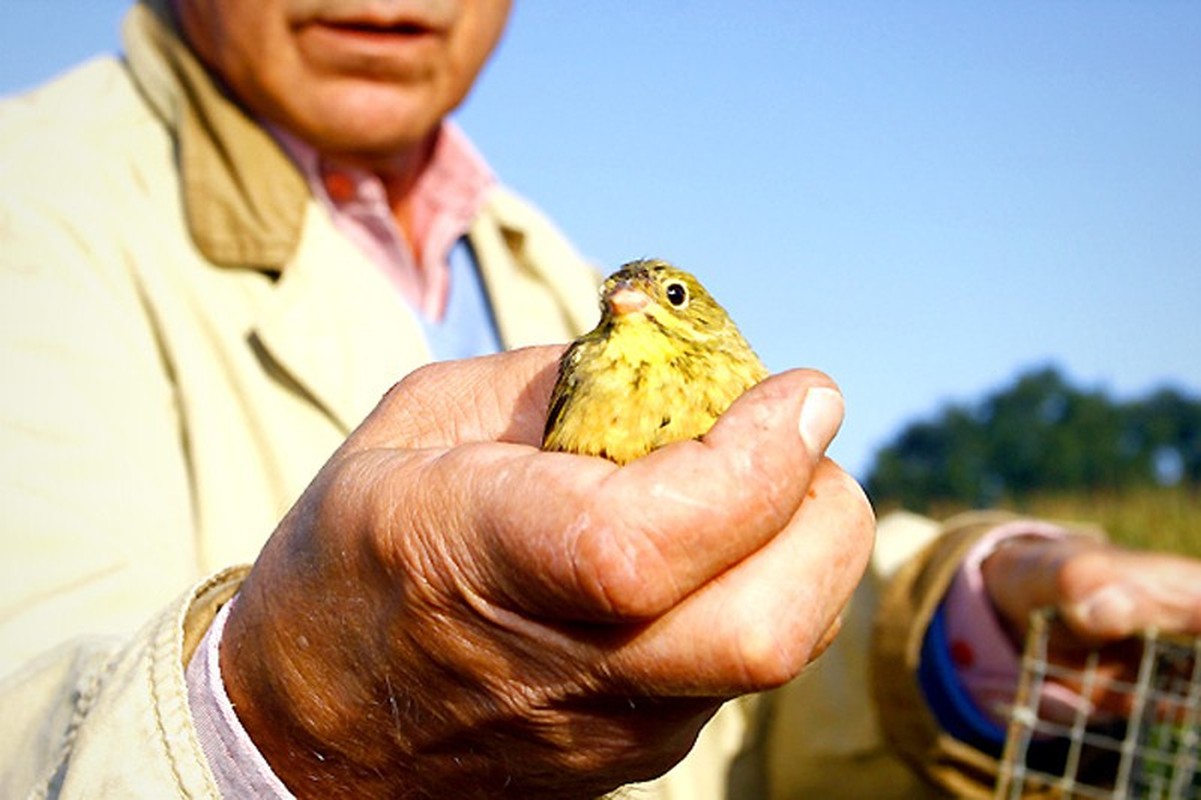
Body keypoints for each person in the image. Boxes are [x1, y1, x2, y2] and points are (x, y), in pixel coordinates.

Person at [0, 1, 1197, 797]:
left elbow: (721, 720)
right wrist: (282, 713)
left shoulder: (538, 257)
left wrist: (961, 634)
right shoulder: (33, 195)